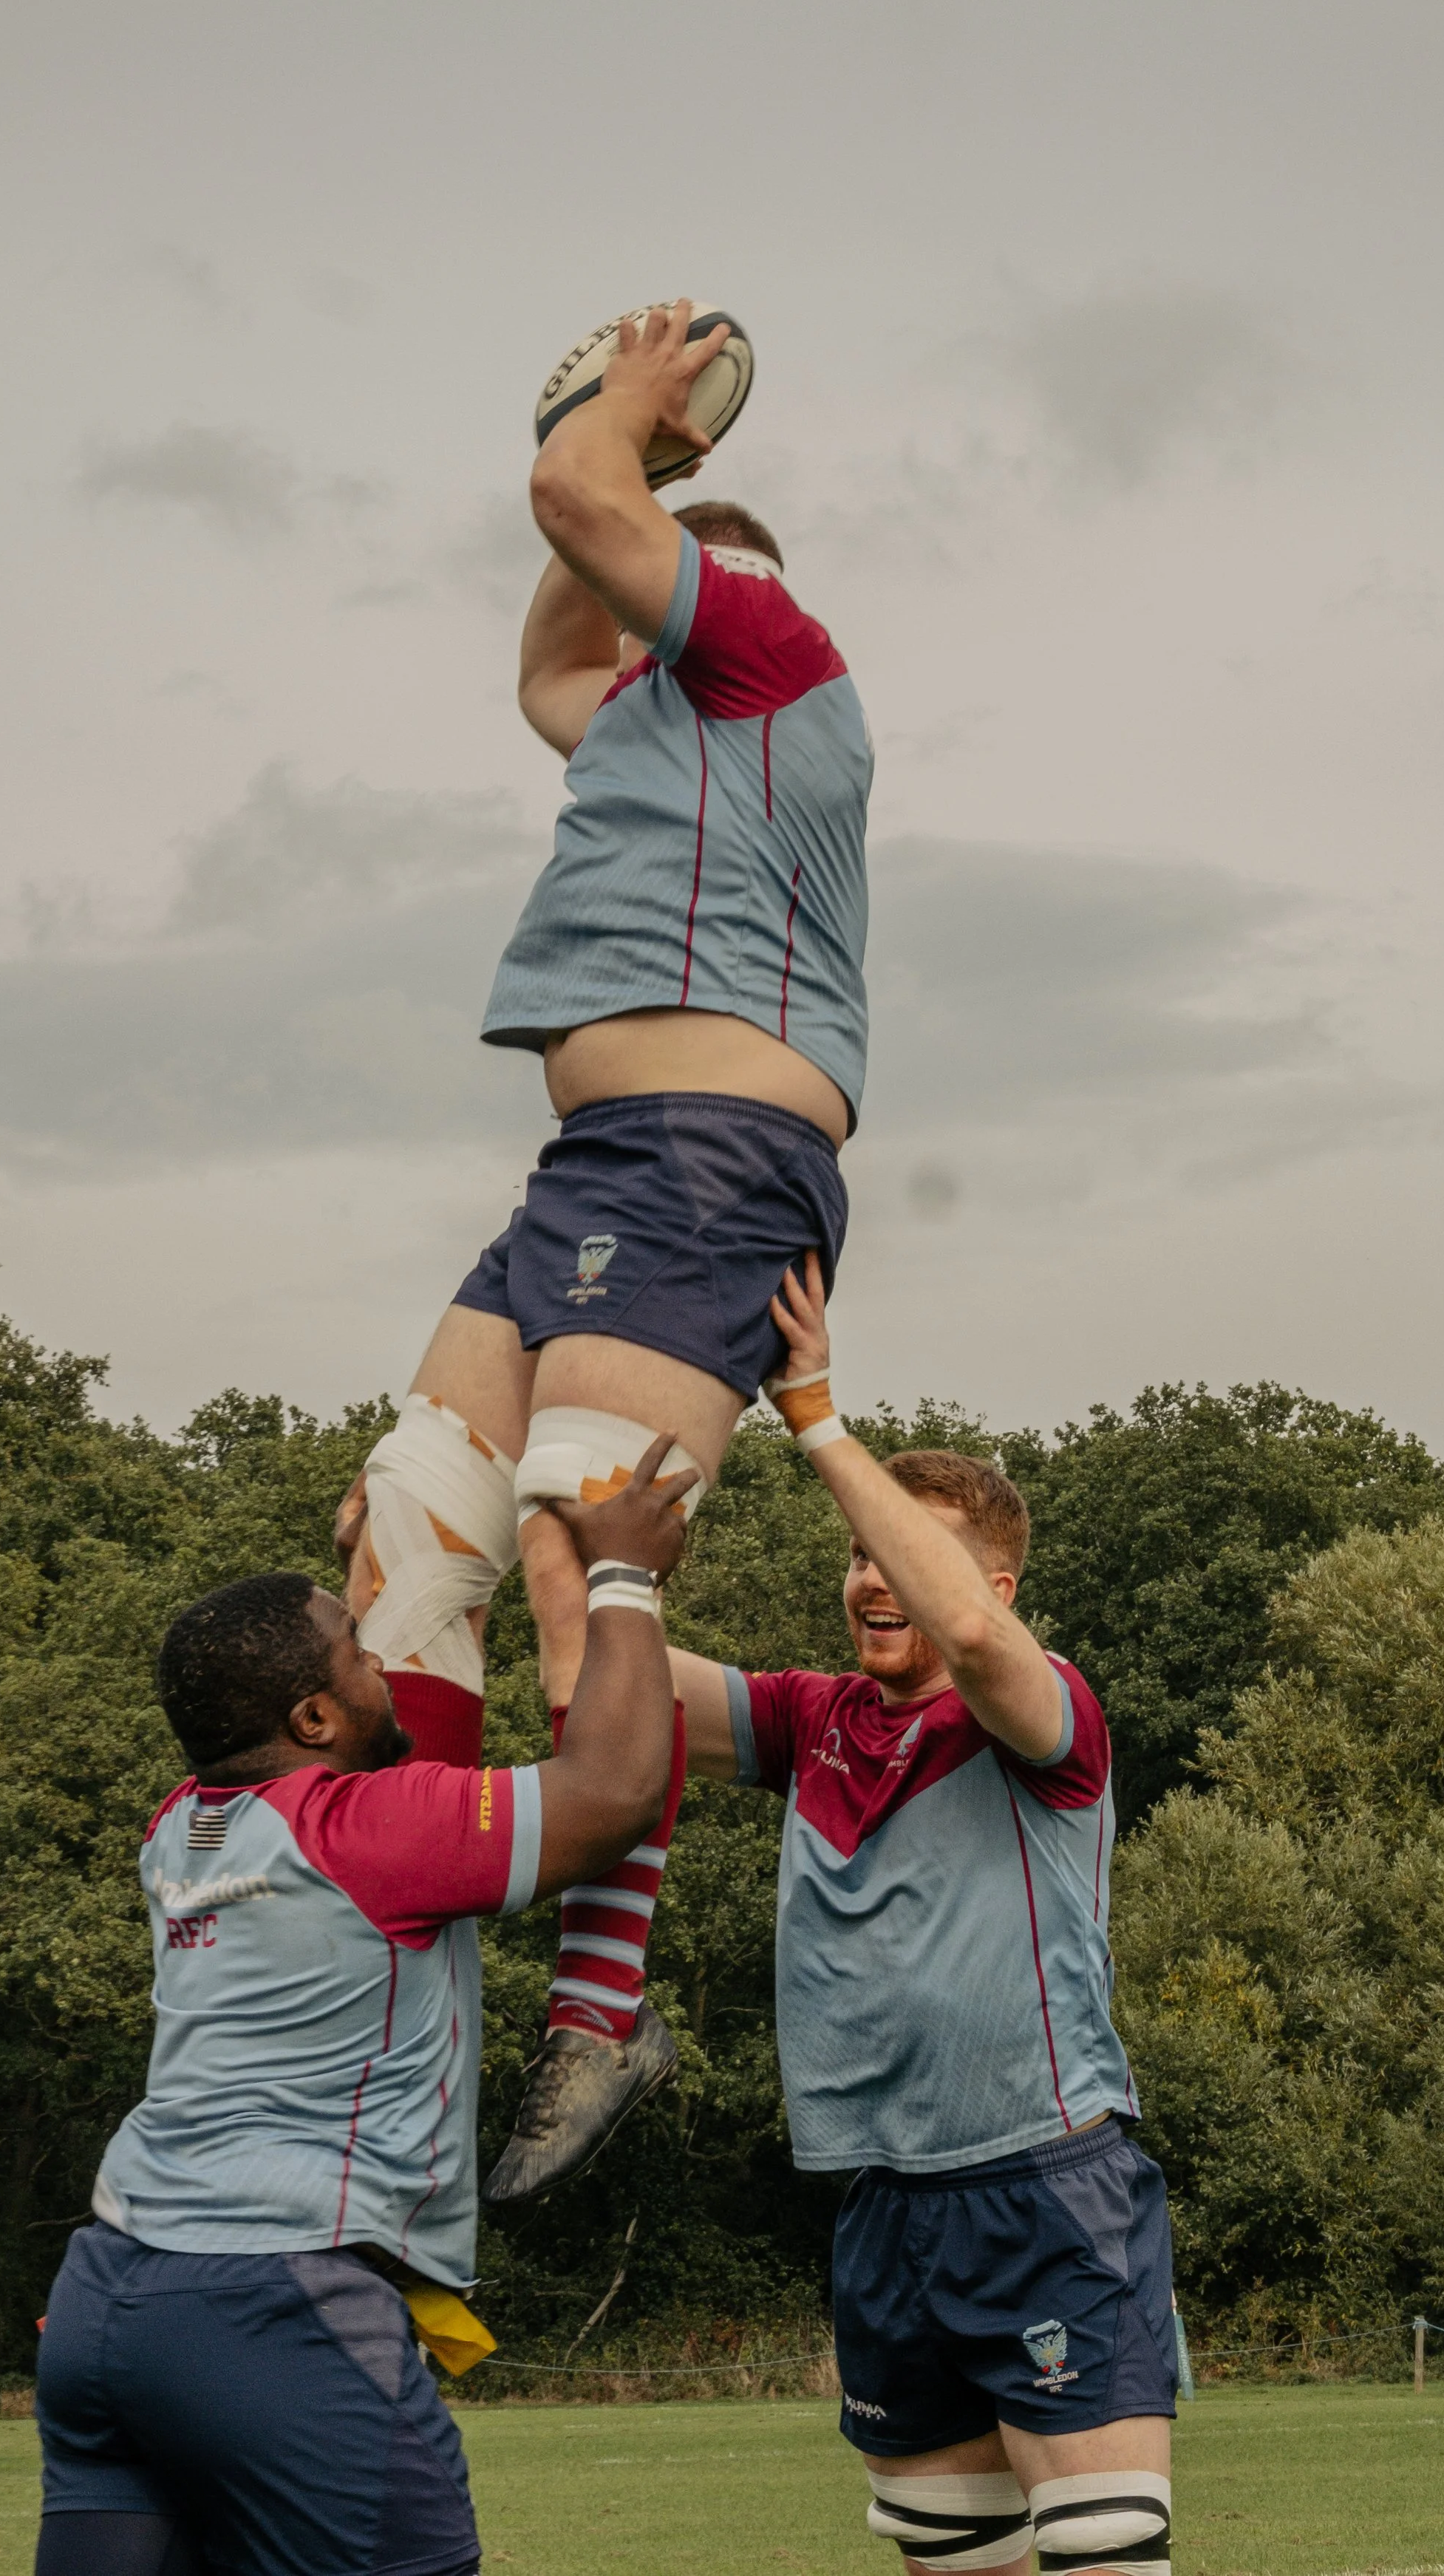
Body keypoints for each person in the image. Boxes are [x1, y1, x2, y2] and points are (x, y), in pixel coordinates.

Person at [334, 298, 873, 2201]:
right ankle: (379, 1973)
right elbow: (549, 647)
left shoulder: (775, 667)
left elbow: (578, 510)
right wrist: (609, 478)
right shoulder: (632, 722)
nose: (622, 611)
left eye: (656, 580)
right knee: (407, 1544)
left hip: (715, 1157)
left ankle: (600, 2003)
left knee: (584, 1552)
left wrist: (621, 429)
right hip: (596, 1173)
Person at [33, 1442, 696, 2576]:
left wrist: (381, 1564)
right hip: (272, 2304)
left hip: (105, 2299)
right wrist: (624, 1575)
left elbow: (329, 1711)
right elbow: (617, 1789)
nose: (381, 1657)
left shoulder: (180, 1826)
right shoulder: (366, 1836)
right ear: (310, 1716)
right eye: (358, 1650)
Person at [663, 1256, 1176, 2576]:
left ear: (997, 1587)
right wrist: (567, 1536)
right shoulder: (811, 1719)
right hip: (885, 2206)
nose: (873, 1576)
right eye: (860, 1552)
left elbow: (972, 1637)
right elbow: (593, 1697)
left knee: (1107, 2559)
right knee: (953, 2566)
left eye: (911, 1553)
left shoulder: (1042, 1706)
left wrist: (818, 1417)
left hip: (1046, 2183)